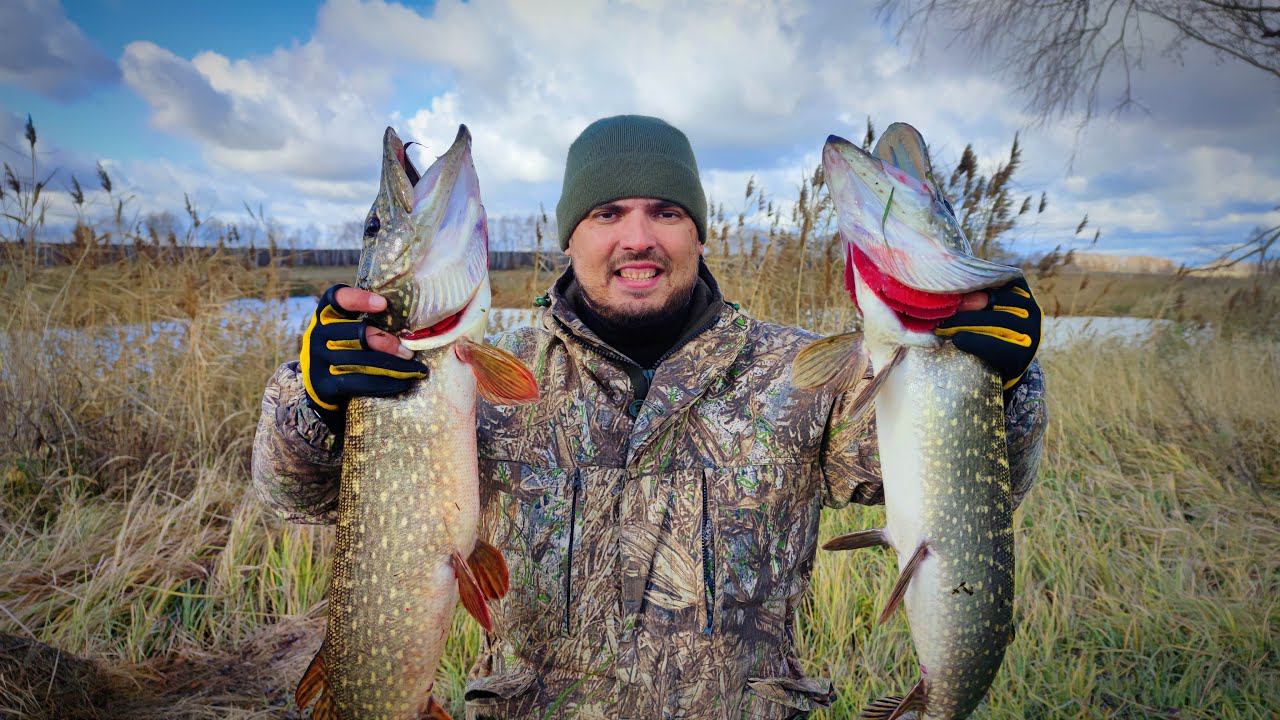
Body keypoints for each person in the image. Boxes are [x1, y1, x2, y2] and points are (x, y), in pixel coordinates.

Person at [251, 115, 1047, 720]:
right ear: (570, 238)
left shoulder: (801, 374)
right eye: (608, 215)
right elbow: (295, 497)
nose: (638, 239)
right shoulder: (491, 384)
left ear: (699, 230)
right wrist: (316, 399)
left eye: (665, 211)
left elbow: (944, 491)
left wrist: (996, 386)